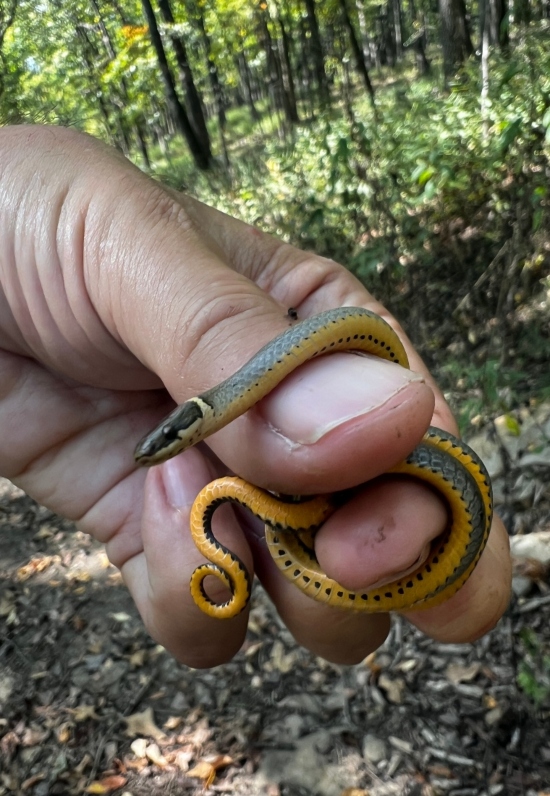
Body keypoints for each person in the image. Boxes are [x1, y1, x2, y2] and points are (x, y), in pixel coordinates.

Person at [0, 125, 511, 668]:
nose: (160, 453)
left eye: (165, 444)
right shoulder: (215, 409)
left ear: (185, 426)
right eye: (163, 448)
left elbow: (261, 358)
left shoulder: (235, 390)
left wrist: (223, 333)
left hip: (368, 407)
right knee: (347, 553)